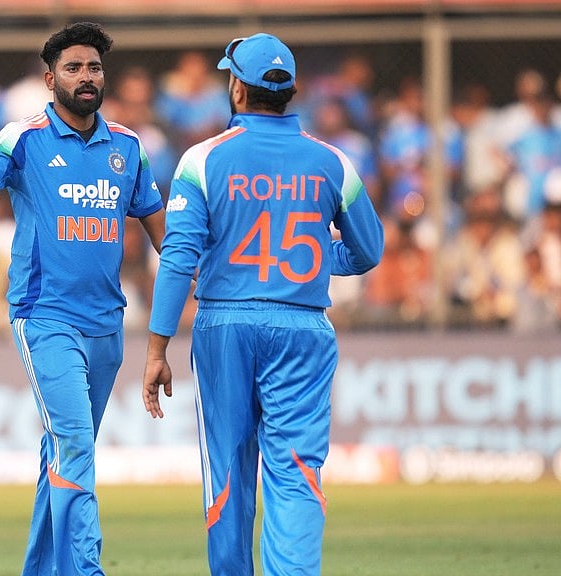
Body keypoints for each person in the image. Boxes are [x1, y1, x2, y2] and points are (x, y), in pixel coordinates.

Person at [141, 33, 383, 576]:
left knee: (227, 469)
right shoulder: (333, 162)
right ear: (292, 91)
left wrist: (158, 348)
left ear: (237, 88)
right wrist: (319, 261)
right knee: (296, 469)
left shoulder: (202, 160)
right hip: (303, 326)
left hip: (224, 323)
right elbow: (369, 249)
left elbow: (178, 258)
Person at [0, 21, 165, 576]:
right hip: (45, 316)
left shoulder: (127, 146)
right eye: (73, 68)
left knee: (63, 452)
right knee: (75, 443)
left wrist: (204, 272)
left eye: (93, 68)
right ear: (49, 78)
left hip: (108, 324)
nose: (86, 77)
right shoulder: (24, 136)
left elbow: (166, 236)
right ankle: (85, 569)